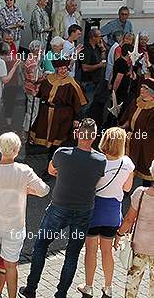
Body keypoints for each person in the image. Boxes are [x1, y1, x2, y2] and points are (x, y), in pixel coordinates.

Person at [19, 118, 107, 298]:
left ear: (77, 134)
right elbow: (96, 182)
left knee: (41, 246)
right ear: (95, 137)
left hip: (59, 208)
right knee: (72, 254)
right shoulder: (101, 160)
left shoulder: (62, 153)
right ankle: (61, 294)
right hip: (83, 211)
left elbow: (51, 171)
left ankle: (31, 289)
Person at [0, 133, 50, 298]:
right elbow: (44, 190)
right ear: (16, 150)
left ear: (0, 148)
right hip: (15, 226)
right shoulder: (24, 170)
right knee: (11, 266)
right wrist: (26, 190)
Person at [77, 127, 135, 298]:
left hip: (93, 210)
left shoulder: (95, 159)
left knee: (91, 250)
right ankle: (108, 288)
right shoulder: (127, 163)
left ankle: (88, 286)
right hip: (112, 213)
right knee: (107, 251)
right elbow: (127, 188)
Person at [29, 59, 87, 154]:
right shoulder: (49, 79)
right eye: (61, 68)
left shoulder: (72, 83)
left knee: (58, 140)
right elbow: (40, 93)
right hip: (47, 112)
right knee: (45, 135)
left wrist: (77, 118)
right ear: (56, 69)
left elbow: (80, 102)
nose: (63, 70)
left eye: (65, 68)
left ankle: (54, 159)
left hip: (62, 115)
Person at [116, 160, 154, 298]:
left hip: (139, 246)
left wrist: (119, 234)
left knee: (132, 283)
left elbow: (128, 220)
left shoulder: (140, 193)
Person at [120, 79, 154, 186]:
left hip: (147, 143)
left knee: (145, 166)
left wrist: (133, 136)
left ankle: (145, 191)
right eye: (141, 87)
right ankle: (125, 189)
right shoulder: (136, 101)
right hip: (132, 140)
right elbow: (129, 119)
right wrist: (122, 126)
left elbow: (149, 132)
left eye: (145, 88)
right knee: (128, 166)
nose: (142, 89)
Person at [80, 28, 108, 121]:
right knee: (86, 105)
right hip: (88, 81)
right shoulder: (86, 49)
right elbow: (84, 67)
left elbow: (103, 62)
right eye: (99, 37)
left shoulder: (97, 48)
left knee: (92, 105)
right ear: (93, 37)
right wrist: (98, 65)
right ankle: (80, 122)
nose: (101, 39)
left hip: (96, 81)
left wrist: (103, 50)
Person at [23, 40, 44, 140]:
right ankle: (29, 134)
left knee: (29, 111)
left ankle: (26, 132)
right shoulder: (33, 63)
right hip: (33, 90)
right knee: (33, 112)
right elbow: (34, 80)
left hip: (29, 89)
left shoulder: (31, 59)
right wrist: (44, 77)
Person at [111, 42, 136, 114]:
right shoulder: (123, 64)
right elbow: (118, 80)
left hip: (119, 91)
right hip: (120, 92)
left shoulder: (119, 61)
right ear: (128, 54)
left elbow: (113, 73)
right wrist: (114, 92)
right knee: (116, 111)